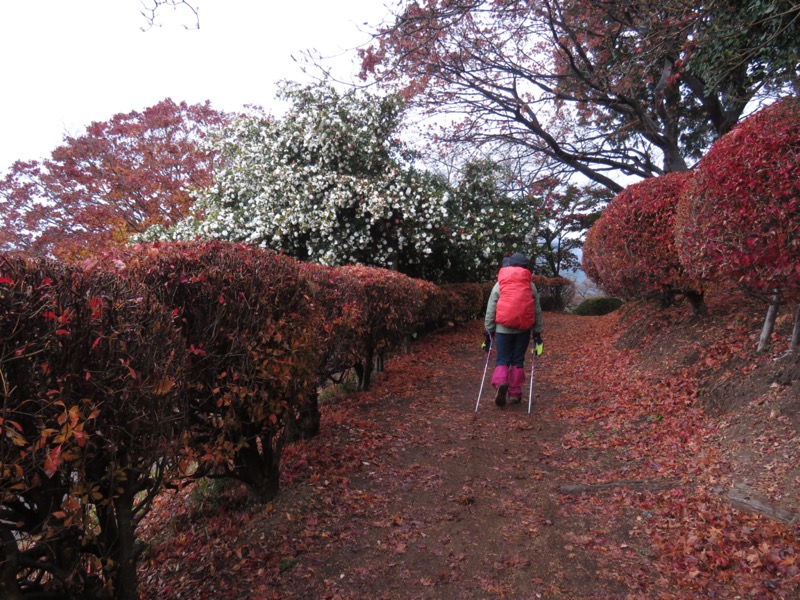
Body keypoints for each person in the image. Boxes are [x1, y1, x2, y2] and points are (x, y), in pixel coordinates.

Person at [484, 253, 543, 406]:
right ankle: (515, 393)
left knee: (502, 359)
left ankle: (501, 383)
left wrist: (489, 330)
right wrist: (537, 332)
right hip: (523, 329)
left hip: (503, 329)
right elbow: (536, 309)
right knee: (518, 360)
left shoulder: (500, 283)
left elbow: (491, 307)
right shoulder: (530, 285)